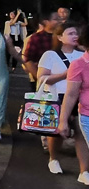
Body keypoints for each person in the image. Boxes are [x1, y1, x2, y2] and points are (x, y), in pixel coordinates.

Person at [37, 22, 89, 176]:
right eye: (70, 33)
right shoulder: (50, 55)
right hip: (56, 96)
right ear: (59, 37)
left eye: (76, 33)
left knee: (81, 134)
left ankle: (84, 170)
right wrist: (66, 74)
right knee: (56, 132)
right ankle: (53, 159)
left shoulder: (82, 54)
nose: (75, 36)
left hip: (79, 99)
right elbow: (41, 78)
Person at [60, 25, 89, 185]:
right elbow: (71, 95)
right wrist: (63, 121)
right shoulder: (79, 64)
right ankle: (84, 171)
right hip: (87, 116)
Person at [23, 10, 59, 91]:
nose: (59, 21)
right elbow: (28, 60)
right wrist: (40, 77)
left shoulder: (63, 37)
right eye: (56, 19)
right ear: (46, 21)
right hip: (45, 83)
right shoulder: (36, 38)